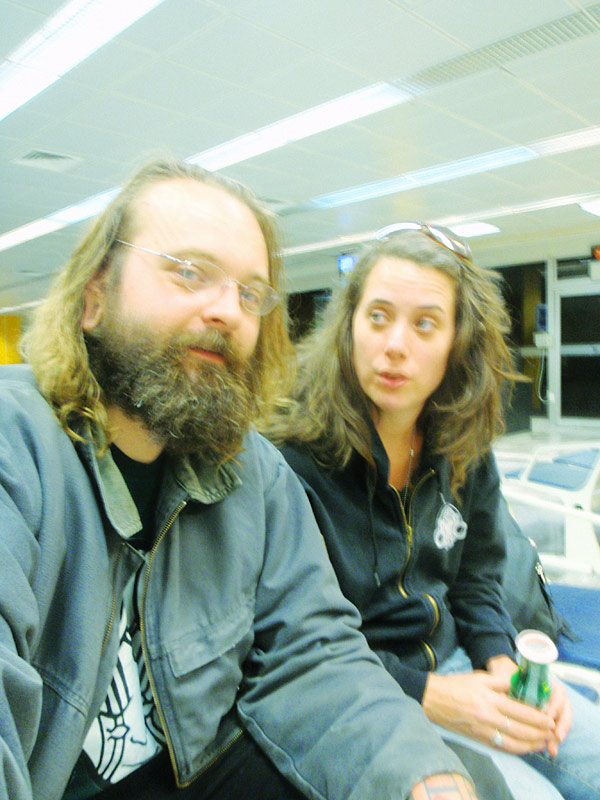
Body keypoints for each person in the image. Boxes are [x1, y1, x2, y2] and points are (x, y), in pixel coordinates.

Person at [0, 161, 488, 800]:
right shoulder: (17, 447)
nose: (228, 310)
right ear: (95, 295)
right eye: (190, 272)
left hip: (202, 767)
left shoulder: (252, 472)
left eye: (251, 294)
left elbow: (312, 653)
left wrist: (417, 777)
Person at [269, 222, 600, 800]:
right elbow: (296, 642)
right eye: (378, 317)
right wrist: (430, 696)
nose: (396, 344)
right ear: (348, 327)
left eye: (425, 324)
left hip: (457, 666)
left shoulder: (461, 444)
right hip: (361, 694)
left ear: (457, 343)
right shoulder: (291, 462)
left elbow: (477, 579)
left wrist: (501, 663)